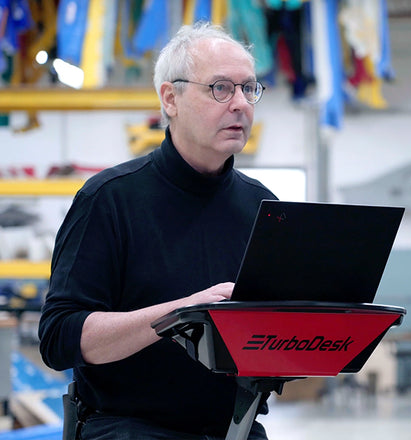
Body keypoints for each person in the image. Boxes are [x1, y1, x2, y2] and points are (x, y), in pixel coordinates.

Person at [38, 22, 276, 440]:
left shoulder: (265, 208)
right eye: (220, 88)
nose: (240, 103)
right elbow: (60, 337)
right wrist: (181, 315)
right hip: (127, 428)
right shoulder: (108, 199)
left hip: (235, 427)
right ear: (171, 98)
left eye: (249, 88)